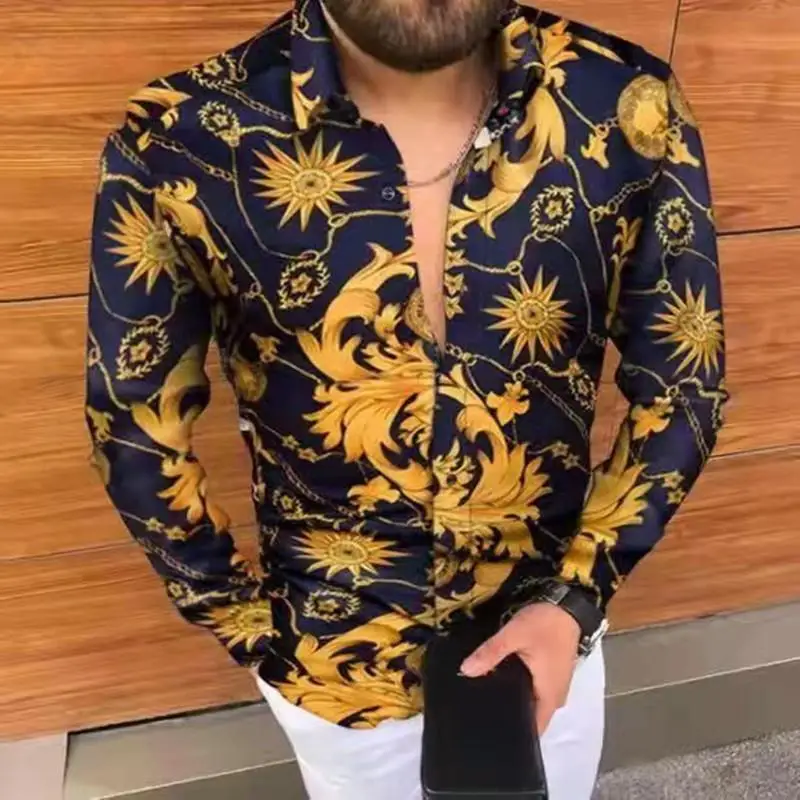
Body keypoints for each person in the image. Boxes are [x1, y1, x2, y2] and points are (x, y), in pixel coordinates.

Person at [85, 0, 728, 797]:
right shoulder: (179, 139)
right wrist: (252, 628)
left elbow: (683, 384)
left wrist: (577, 598)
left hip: (549, 648)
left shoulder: (627, 105)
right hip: (331, 672)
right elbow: (132, 423)